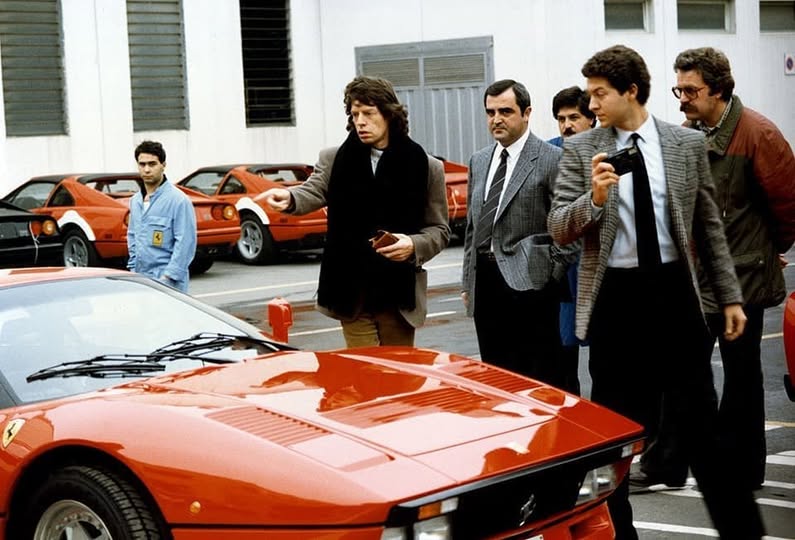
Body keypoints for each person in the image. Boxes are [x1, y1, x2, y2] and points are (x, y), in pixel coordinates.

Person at [547, 45, 764, 539]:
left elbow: (708, 224)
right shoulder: (582, 150)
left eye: (601, 94)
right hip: (615, 303)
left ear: (631, 91)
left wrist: (729, 297)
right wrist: (594, 199)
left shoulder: (683, 146)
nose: (593, 103)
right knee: (615, 439)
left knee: (705, 432)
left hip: (675, 296)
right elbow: (559, 226)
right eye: (590, 93)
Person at [636, 47, 795, 492]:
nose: (681, 98)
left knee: (742, 376)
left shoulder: (758, 135)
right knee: (680, 369)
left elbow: (788, 204)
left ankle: (742, 469)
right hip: (692, 277)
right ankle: (667, 463)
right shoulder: (689, 134)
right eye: (678, 88)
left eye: (691, 90)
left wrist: (768, 249)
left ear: (719, 90)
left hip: (740, 278)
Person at [256, 76, 449, 347]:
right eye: (355, 113)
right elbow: (312, 190)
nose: (360, 121)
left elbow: (439, 231)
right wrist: (288, 197)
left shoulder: (427, 166)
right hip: (350, 291)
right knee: (365, 373)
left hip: (398, 292)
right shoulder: (335, 158)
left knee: (397, 375)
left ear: (389, 114)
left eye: (368, 113)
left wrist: (412, 244)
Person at [461, 79, 575, 386]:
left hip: (531, 284)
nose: (496, 119)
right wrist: (468, 282)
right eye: (490, 112)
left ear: (526, 113)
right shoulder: (480, 159)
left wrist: (550, 272)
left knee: (538, 379)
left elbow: (570, 229)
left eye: (505, 111)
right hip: (486, 283)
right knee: (498, 378)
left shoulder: (551, 158)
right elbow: (473, 227)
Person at [548, 86, 597, 395]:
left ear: (591, 119)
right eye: (561, 118)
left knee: (605, 363)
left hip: (598, 273)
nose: (567, 125)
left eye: (574, 117)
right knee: (563, 364)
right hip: (564, 277)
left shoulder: (608, 154)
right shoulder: (549, 154)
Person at [127, 140, 196, 293]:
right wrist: (133, 269)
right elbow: (132, 236)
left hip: (168, 282)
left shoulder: (178, 200)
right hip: (141, 280)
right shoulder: (135, 201)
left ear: (163, 165)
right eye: (142, 164)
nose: (146, 170)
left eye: (152, 164)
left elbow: (185, 243)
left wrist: (168, 277)